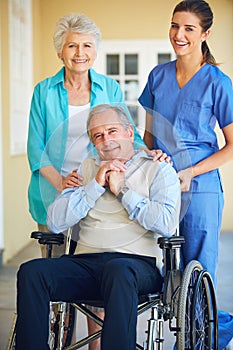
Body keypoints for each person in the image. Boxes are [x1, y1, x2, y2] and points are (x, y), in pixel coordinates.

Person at [27, 13, 149, 349]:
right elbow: (36, 146)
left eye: (86, 46)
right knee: (52, 271)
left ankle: (95, 343)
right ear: (60, 52)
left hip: (98, 190)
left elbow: (128, 133)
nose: (79, 52)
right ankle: (57, 331)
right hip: (54, 188)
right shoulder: (44, 91)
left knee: (96, 259)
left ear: (95, 51)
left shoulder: (108, 87)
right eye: (72, 46)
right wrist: (62, 181)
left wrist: (150, 156)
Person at [16, 104, 181, 350]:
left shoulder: (158, 168)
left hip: (137, 265)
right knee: (32, 272)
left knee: (118, 270)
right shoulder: (85, 169)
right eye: (98, 135)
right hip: (86, 263)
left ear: (128, 132)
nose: (106, 140)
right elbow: (55, 221)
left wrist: (122, 190)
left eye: (112, 131)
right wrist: (94, 185)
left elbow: (167, 224)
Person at [138, 1, 233, 349]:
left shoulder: (218, 83)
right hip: (159, 184)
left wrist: (191, 171)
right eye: (175, 26)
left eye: (189, 28)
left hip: (201, 187)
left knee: (198, 270)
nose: (179, 35)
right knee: (160, 269)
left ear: (205, 34)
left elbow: (232, 146)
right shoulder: (157, 76)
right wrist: (148, 158)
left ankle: (208, 339)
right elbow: (147, 136)